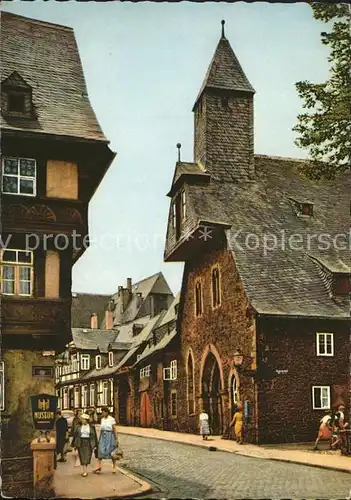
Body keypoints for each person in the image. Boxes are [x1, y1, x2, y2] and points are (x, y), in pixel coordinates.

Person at [94, 406, 118, 474]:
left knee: (112, 452)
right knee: (100, 450)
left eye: (104, 412)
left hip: (110, 436)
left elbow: (114, 429)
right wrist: (99, 438)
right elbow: (101, 429)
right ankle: (99, 466)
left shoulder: (112, 419)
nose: (103, 413)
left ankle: (114, 467)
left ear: (107, 412)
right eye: (102, 412)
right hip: (103, 436)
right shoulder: (102, 419)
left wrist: (116, 439)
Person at [73, 413, 98, 477]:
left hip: (89, 442)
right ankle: (85, 471)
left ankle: (85, 469)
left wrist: (96, 445)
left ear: (87, 420)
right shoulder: (78, 426)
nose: (82, 420)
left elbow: (94, 436)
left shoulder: (91, 427)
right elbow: (75, 435)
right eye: (82, 419)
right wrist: (74, 445)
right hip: (81, 442)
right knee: (82, 457)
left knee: (87, 457)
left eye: (84, 419)